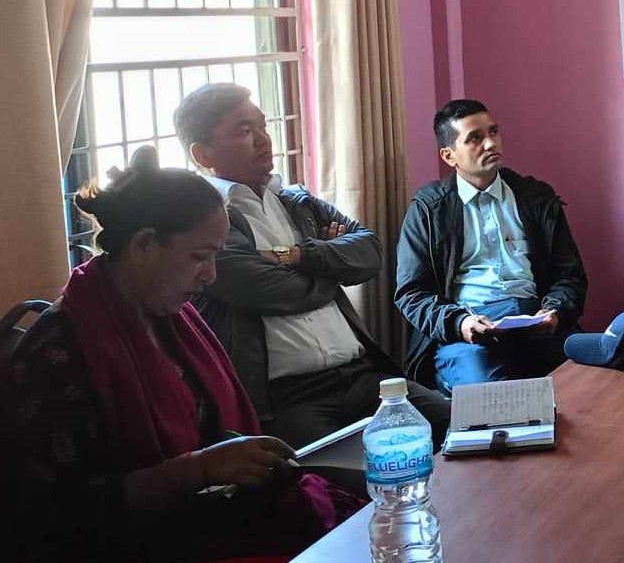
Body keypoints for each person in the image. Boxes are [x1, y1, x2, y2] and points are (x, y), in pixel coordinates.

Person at [3, 148, 366, 561]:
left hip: (205, 521)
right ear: (144, 245)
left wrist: (239, 454)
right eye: (199, 257)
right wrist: (197, 469)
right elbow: (54, 511)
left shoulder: (173, 319)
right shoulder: (59, 351)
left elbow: (206, 427)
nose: (211, 274)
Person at [175, 83, 448, 448]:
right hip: (289, 398)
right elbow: (267, 289)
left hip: (363, 377)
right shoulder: (205, 222)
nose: (263, 139)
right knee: (346, 475)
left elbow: (370, 251)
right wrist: (333, 272)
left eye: (263, 126)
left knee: (464, 428)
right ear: (202, 154)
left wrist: (302, 256)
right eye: (244, 131)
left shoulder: (295, 200)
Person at [397, 98, 588, 391]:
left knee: (592, 382)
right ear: (449, 156)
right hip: (470, 327)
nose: (490, 144)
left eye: (494, 132)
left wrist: (555, 311)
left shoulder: (536, 198)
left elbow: (569, 274)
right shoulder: (428, 209)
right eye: (475, 138)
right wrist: (460, 323)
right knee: (493, 398)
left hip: (536, 319)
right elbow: (411, 294)